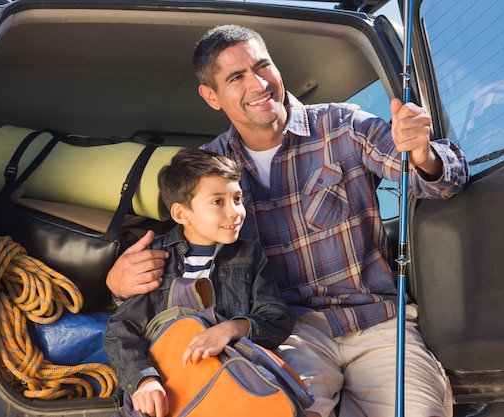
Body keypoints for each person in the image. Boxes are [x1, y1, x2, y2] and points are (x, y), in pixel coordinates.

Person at [106, 24, 469, 417]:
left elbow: (441, 182)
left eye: (263, 67)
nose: (259, 83)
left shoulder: (342, 126)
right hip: (283, 335)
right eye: (237, 77)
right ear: (211, 95)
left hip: (378, 323)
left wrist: (421, 155)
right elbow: (183, 259)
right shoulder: (207, 171)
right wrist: (118, 286)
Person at [104, 147, 295, 417]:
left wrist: (231, 328)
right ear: (181, 214)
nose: (235, 212)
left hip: (230, 373)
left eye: (237, 198)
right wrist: (144, 381)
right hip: (168, 378)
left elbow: (277, 318)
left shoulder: (249, 254)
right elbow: (121, 331)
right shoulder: (155, 259)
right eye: (218, 201)